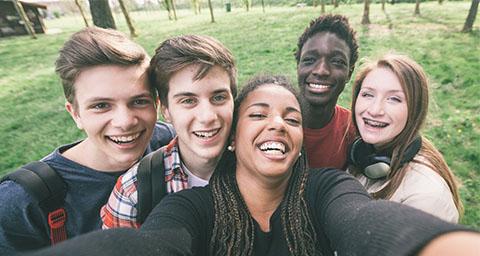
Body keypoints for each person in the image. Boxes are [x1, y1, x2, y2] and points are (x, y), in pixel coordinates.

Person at [24, 74, 479, 256]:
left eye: (291, 119)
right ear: (233, 136)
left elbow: (366, 221)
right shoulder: (192, 209)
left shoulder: (327, 189)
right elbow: (154, 244)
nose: (277, 125)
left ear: (301, 142)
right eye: (258, 115)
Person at [0, 27, 174, 254]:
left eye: (139, 101)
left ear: (156, 104)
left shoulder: (169, 141)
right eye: (101, 106)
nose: (125, 121)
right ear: (75, 114)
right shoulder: (22, 202)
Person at [101, 35, 237, 229]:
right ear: (165, 110)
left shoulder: (263, 166)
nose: (207, 117)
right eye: (188, 101)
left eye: (218, 97)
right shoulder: (134, 193)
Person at [347, 53, 462, 223]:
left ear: (414, 111)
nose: (374, 110)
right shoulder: (364, 155)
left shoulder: (426, 198)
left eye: (394, 99)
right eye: (367, 94)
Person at [295, 14, 358, 169]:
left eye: (337, 61)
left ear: (349, 72)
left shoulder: (352, 130)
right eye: (309, 60)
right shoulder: (271, 123)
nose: (321, 71)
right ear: (298, 67)